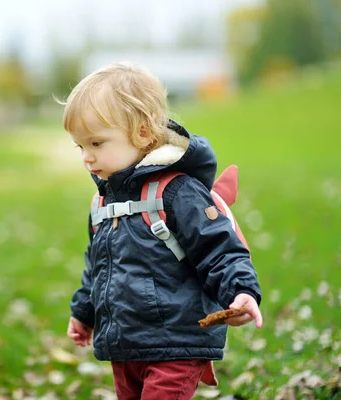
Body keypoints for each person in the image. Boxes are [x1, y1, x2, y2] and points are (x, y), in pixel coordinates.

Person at [63, 62, 263, 400]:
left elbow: (219, 248)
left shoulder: (176, 192)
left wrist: (240, 290)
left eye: (97, 143)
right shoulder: (102, 202)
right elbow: (97, 266)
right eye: (80, 146)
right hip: (126, 345)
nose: (86, 157)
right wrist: (84, 312)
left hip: (177, 342)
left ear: (142, 133)